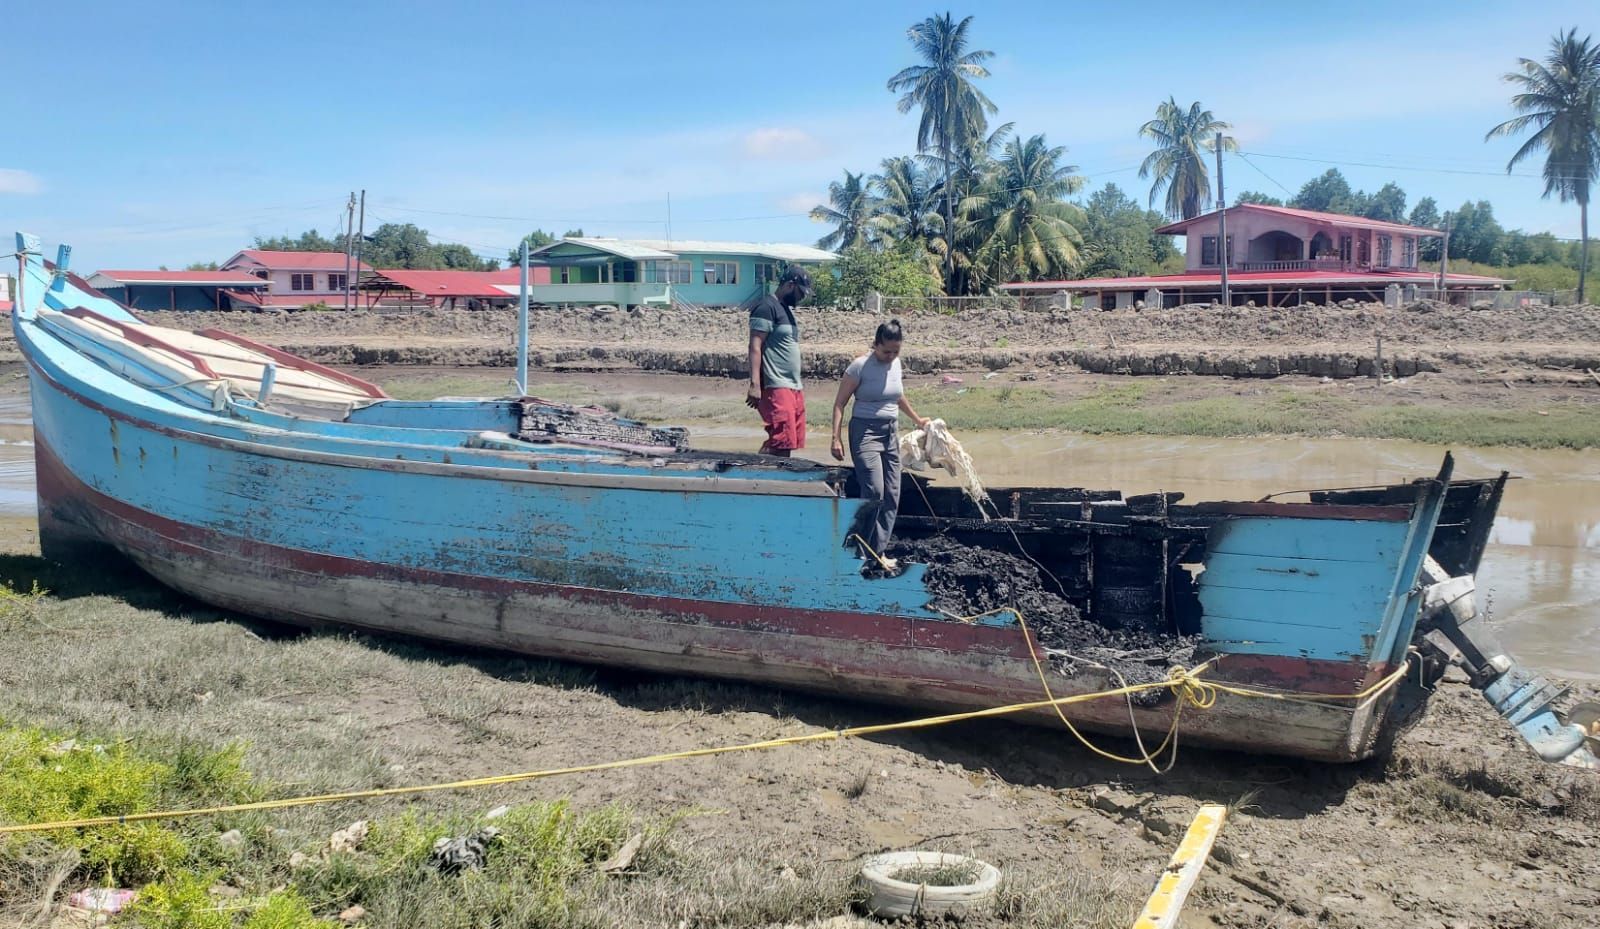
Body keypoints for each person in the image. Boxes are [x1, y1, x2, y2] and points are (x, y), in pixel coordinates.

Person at [830, 319, 929, 565]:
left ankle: (878, 552)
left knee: (892, 493)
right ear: (876, 345)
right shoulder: (859, 367)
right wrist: (836, 438)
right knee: (874, 491)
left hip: (890, 432)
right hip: (865, 433)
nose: (891, 356)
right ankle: (859, 550)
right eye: (886, 351)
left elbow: (897, 396)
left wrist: (917, 420)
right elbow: (840, 403)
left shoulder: (896, 364)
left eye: (896, 352)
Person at [746, 266, 813, 456]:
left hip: (793, 386)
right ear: (790, 285)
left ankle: (770, 476)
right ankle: (763, 478)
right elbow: (755, 346)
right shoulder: (766, 307)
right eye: (801, 292)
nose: (802, 297)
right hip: (776, 385)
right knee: (780, 440)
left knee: (790, 441)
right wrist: (755, 384)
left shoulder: (785, 310)